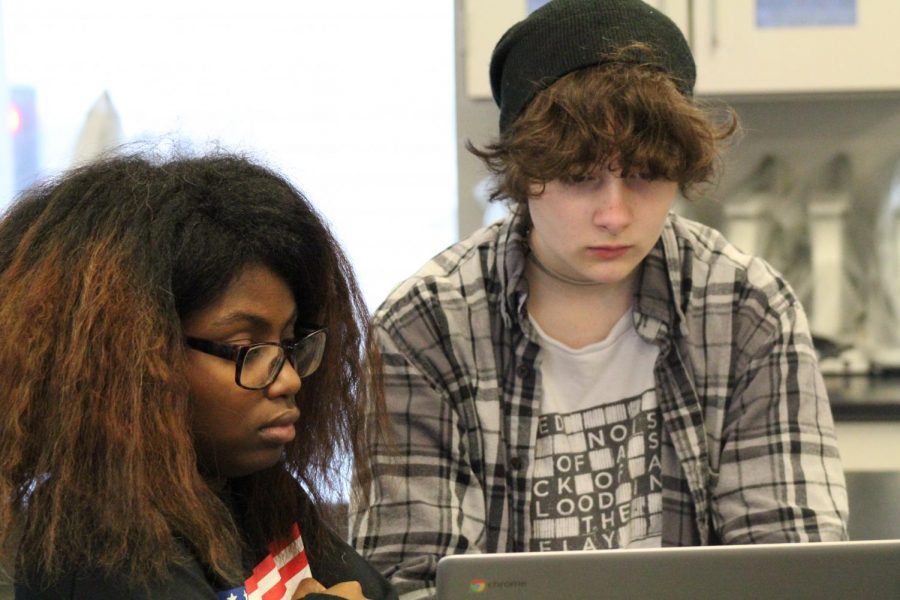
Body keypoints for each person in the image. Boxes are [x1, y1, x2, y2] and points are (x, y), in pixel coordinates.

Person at [350, 1, 849, 597]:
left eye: (644, 174)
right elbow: (406, 582)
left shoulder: (747, 310)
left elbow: (795, 571)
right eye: (580, 176)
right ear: (523, 172)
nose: (615, 214)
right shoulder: (424, 327)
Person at [0, 151, 397, 600]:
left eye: (289, 344)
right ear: (138, 359)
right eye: (248, 349)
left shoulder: (253, 491)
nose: (290, 381)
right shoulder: (100, 542)